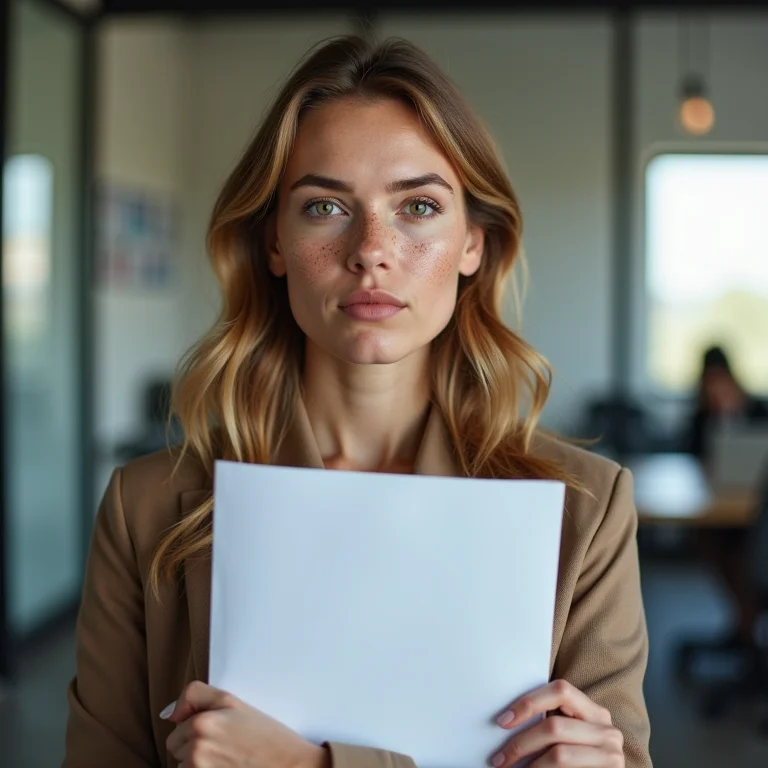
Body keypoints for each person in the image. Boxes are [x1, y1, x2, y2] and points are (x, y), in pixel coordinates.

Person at [64, 36, 651, 768]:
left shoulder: (583, 509)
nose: (372, 249)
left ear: (473, 242)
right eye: (325, 205)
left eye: (418, 206)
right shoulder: (146, 508)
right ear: (274, 241)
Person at [683, 346, 768, 649]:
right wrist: (720, 418)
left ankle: (748, 626)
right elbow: (691, 460)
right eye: (710, 385)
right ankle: (747, 623)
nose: (716, 391)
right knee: (715, 540)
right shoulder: (699, 417)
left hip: (756, 513)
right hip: (719, 511)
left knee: (748, 551)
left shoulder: (760, 409)